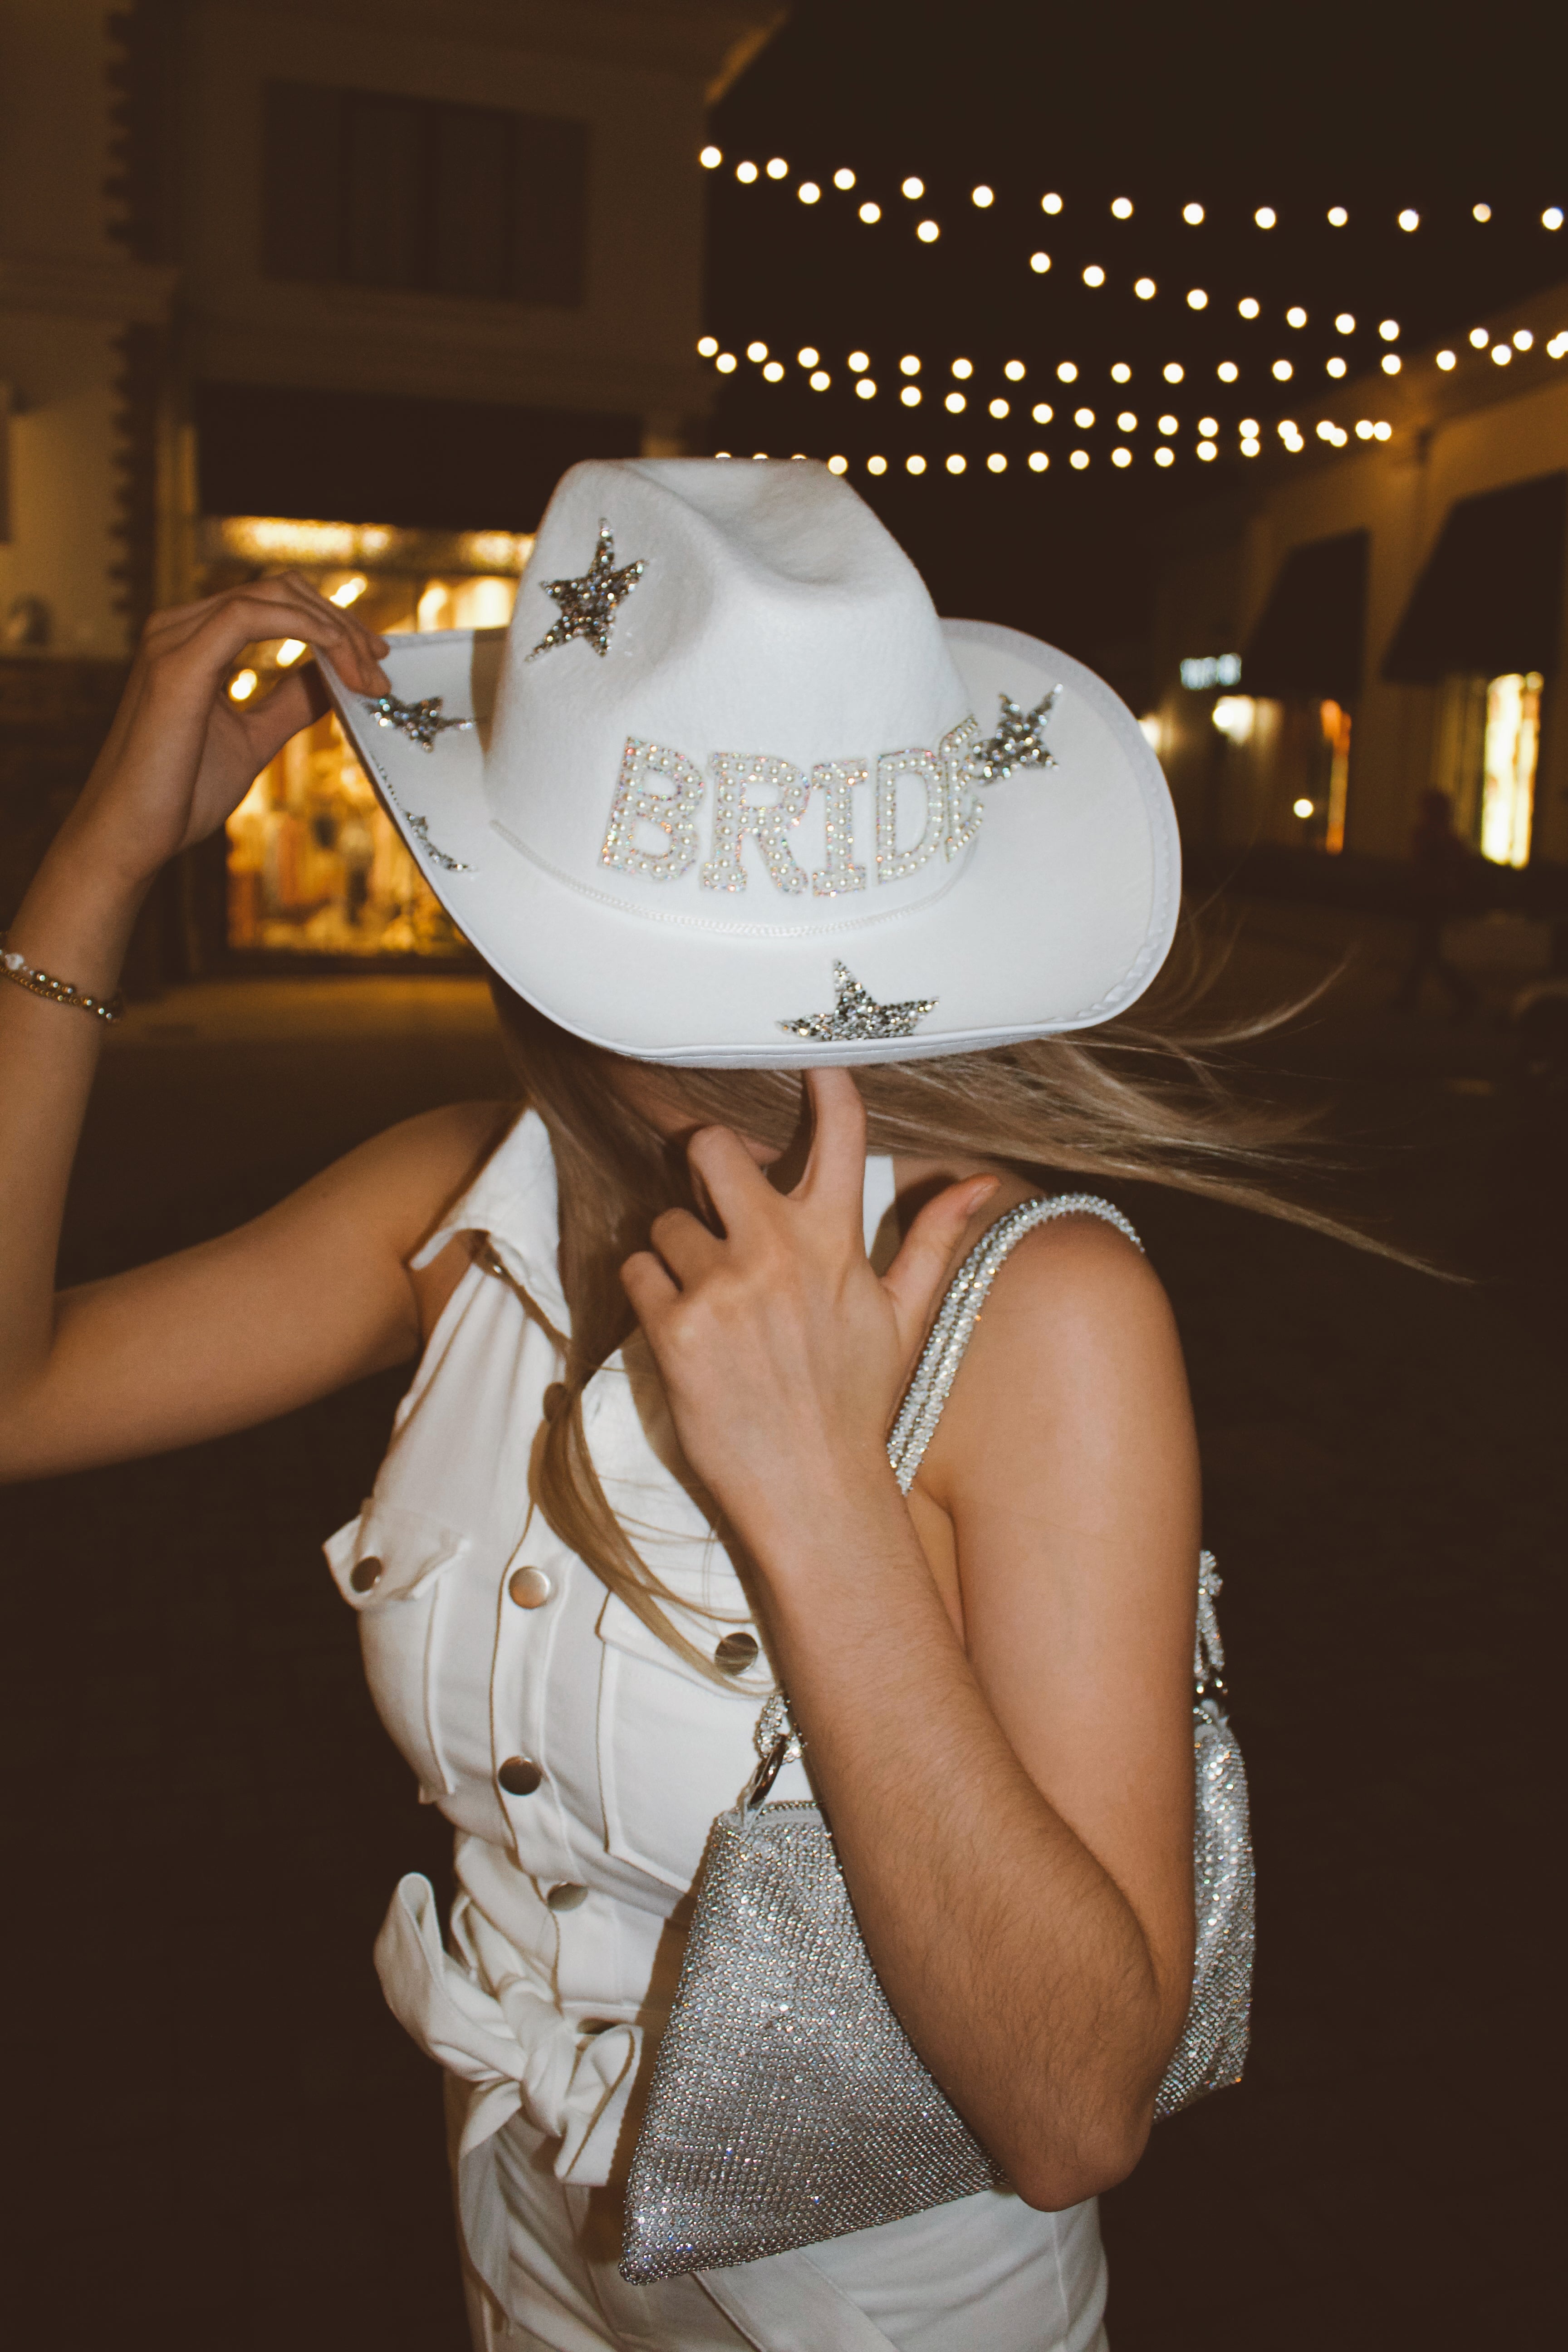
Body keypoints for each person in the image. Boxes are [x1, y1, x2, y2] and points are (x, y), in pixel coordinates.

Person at [1, 460, 1326, 2352]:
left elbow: (1073, 2108)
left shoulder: (1037, 1310)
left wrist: (815, 1490)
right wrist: (99, 864)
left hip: (884, 2312)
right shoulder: (464, 1200)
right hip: (522, 2233)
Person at [1392, 788, 1480, 1019]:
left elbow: (1427, 867)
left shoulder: (1435, 836)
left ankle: (1465, 995)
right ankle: (1408, 997)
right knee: (1425, 951)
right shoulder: (1444, 836)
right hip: (1436, 898)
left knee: (1428, 952)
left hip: (1433, 899)